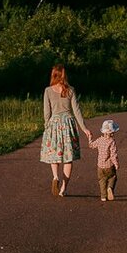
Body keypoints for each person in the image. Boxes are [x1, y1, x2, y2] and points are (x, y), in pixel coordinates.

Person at [40, 64, 91, 197]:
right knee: (68, 158)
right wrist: (84, 128)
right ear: (64, 75)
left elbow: (47, 112)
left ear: (53, 75)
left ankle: (55, 176)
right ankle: (63, 188)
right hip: (68, 125)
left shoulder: (48, 91)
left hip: (54, 124)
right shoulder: (70, 90)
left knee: (54, 154)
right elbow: (77, 111)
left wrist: (47, 126)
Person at [88, 119, 120, 202]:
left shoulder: (99, 140)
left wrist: (90, 139)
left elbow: (91, 145)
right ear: (112, 132)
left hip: (100, 166)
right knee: (113, 177)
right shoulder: (112, 141)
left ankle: (103, 197)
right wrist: (116, 164)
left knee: (102, 181)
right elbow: (113, 154)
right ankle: (110, 188)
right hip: (109, 165)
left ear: (103, 131)